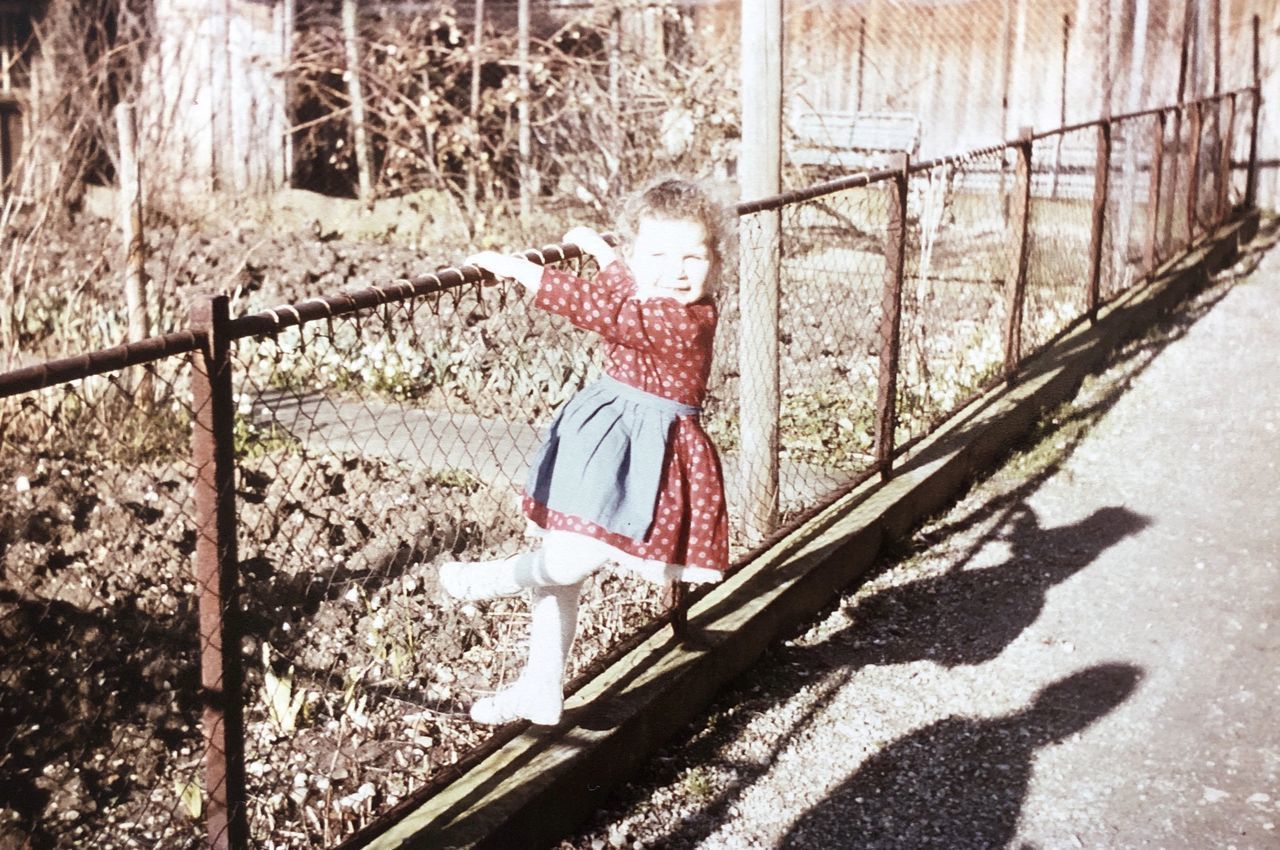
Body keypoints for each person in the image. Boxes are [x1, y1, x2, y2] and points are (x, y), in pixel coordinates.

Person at [440, 178, 731, 726]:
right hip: (604, 434)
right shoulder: (654, 293)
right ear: (637, 256)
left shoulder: (686, 318)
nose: (678, 270)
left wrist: (528, 273)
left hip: (650, 450)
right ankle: (540, 687)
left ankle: (495, 579)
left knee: (577, 556)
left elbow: (613, 313)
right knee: (565, 555)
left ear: (715, 262)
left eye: (694, 256)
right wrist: (603, 255)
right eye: (660, 256)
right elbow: (627, 293)